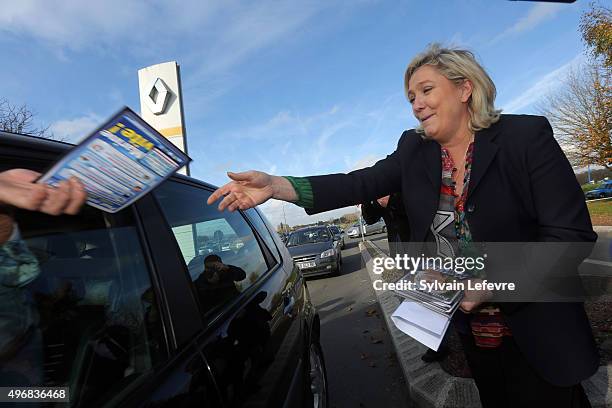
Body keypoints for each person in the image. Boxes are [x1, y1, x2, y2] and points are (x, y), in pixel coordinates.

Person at [207, 44, 599, 407]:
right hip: (475, 335)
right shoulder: (414, 151)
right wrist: (278, 186)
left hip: (543, 332)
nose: (417, 104)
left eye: (427, 90)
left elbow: (570, 238)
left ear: (465, 88)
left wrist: (493, 283)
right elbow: (356, 182)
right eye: (411, 97)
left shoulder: (526, 137)